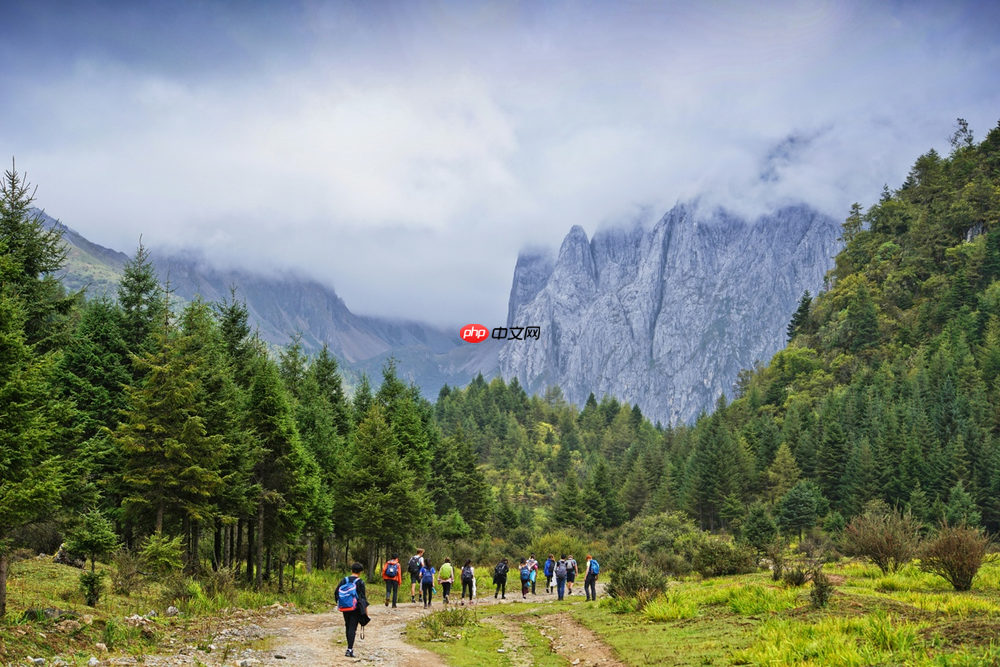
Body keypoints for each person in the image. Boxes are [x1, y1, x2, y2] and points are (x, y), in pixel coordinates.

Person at [338, 562, 368, 658]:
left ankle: (349, 647)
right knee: (352, 627)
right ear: (360, 572)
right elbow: (363, 598)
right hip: (355, 608)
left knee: (347, 626)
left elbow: (336, 592)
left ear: (351, 570)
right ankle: (349, 649)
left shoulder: (344, 580)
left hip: (345, 607)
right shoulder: (360, 582)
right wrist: (365, 611)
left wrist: (341, 602)